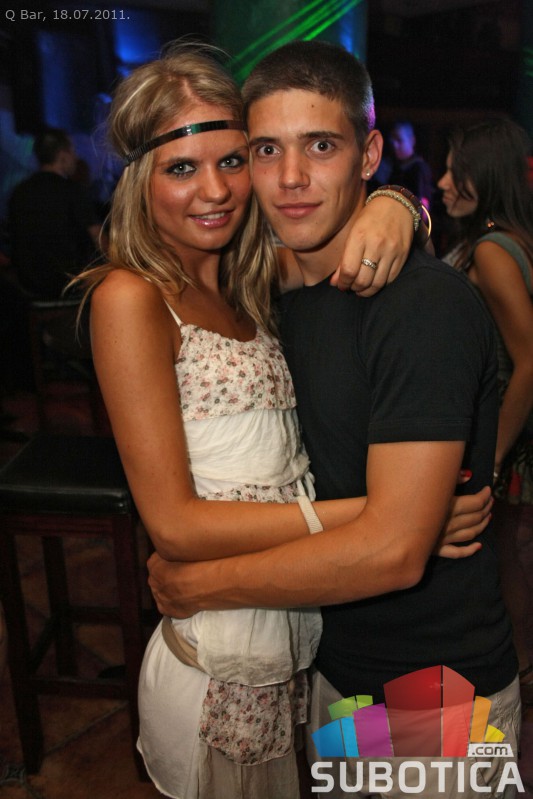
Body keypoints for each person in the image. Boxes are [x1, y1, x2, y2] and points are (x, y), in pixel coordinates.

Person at [72, 42, 493, 799]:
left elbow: (394, 551)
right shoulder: (185, 292)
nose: (219, 189)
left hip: (426, 685)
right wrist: (400, 516)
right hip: (300, 665)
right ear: (139, 180)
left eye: (233, 160)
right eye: (266, 151)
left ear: (367, 154)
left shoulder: (272, 282)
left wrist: (404, 206)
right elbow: (178, 524)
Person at [438, 117, 533, 710]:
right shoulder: (504, 238)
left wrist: (493, 454)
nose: (443, 182)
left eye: (457, 172)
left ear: (487, 176)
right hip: (498, 433)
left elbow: (530, 360)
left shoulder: (494, 249)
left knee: (503, 567)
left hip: (503, 439)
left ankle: (516, 677)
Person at [8, 128, 102, 299]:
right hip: (70, 286)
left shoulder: (19, 192)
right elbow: (99, 239)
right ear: (62, 155)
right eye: (73, 150)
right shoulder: (72, 191)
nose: (76, 157)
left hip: (28, 288)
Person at [386, 120, 433, 211]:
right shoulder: (394, 168)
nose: (395, 145)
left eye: (399, 140)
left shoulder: (419, 169)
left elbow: (424, 206)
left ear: (412, 140)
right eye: (392, 141)